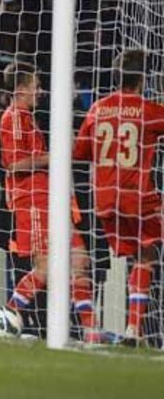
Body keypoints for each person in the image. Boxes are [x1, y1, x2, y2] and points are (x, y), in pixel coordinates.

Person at [0, 63, 104, 343]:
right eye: (36, 85)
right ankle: (5, 317)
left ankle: (91, 331)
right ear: (21, 89)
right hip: (32, 200)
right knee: (45, 268)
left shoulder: (27, 117)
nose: (40, 91)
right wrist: (54, 156)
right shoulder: (14, 118)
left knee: (80, 260)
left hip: (51, 199)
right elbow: (13, 164)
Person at [73, 49, 164, 345]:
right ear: (142, 79)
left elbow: (81, 153)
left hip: (103, 201)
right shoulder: (149, 110)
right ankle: (133, 328)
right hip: (137, 197)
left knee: (132, 256)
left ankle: (94, 327)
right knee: (146, 256)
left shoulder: (97, 109)